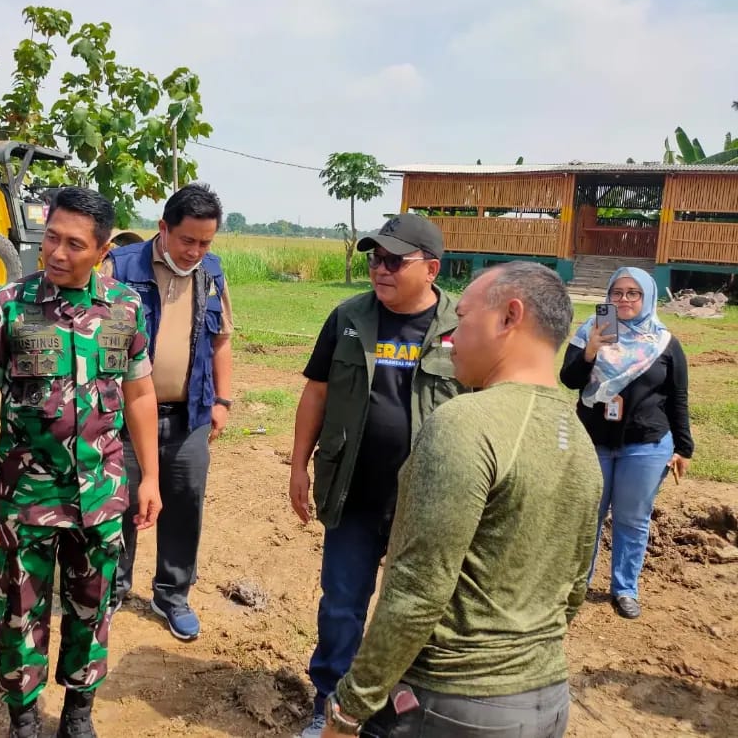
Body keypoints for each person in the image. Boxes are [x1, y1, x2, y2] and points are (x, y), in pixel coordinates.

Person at [320, 263, 602, 738]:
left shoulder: (464, 423)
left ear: (510, 317)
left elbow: (416, 592)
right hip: (546, 701)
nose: (450, 339)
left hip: (449, 704)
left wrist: (348, 711)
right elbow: (573, 588)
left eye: (463, 320)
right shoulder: (578, 440)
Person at [0, 186, 163, 738]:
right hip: (25, 496)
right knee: (20, 609)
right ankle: (23, 716)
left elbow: (140, 395)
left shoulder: (125, 306)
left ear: (101, 251)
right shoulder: (4, 307)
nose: (56, 252)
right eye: (51, 237)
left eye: (74, 244)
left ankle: (78, 711)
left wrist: (152, 481)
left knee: (93, 609)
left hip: (103, 491)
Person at [289, 213, 465, 737]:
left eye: (393, 260)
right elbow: (316, 392)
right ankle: (329, 700)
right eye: (374, 258)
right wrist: (298, 464)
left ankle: (407, 707)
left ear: (431, 268)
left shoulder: (464, 326)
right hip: (355, 493)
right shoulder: (347, 317)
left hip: (432, 503)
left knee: (420, 610)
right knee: (342, 605)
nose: (378, 269)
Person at [102, 182, 233, 641]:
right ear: (163, 229)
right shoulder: (119, 267)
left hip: (189, 414)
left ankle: (172, 594)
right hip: (122, 417)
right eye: (188, 240)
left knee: (184, 505)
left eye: (206, 242)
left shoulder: (212, 273)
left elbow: (221, 340)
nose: (196, 251)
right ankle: (112, 588)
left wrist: (222, 399)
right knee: (121, 502)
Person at [560, 266, 693, 620]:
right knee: (589, 515)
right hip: (594, 440)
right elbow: (568, 380)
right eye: (617, 292)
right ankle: (577, 583)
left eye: (632, 293)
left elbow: (677, 397)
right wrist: (589, 351)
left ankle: (624, 588)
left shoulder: (664, 342)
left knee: (633, 519)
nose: (623, 299)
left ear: (647, 296)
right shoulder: (589, 332)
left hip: (646, 445)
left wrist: (684, 448)